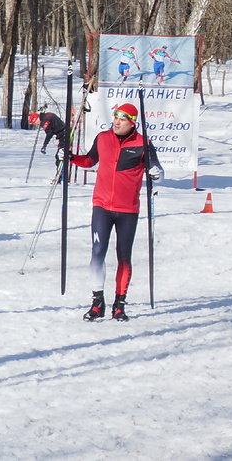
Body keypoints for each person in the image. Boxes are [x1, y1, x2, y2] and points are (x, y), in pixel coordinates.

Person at [70, 102, 164, 320]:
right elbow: (89, 160)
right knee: (97, 253)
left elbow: (158, 171)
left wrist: (155, 172)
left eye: (122, 119)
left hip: (127, 209)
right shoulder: (103, 138)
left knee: (123, 257)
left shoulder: (144, 143)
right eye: (115, 118)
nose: (117, 122)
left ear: (132, 123)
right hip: (102, 206)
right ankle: (97, 303)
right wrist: (71, 158)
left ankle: (119, 304)